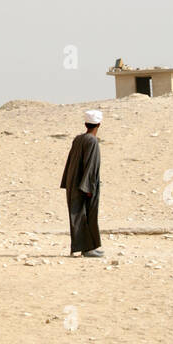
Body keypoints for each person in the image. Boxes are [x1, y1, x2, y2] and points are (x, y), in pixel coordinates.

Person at [60, 109, 104, 257]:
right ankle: (88, 249)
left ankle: (87, 247)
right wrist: (88, 187)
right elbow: (90, 165)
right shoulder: (92, 141)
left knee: (78, 215)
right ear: (99, 124)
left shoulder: (78, 139)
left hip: (74, 182)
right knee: (87, 215)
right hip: (85, 185)